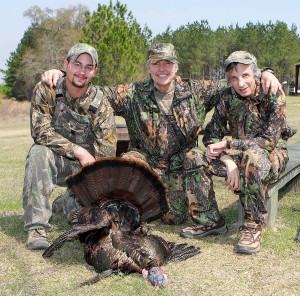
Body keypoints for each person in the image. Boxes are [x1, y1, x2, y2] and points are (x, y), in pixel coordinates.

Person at [41, 43, 281, 229]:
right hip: (144, 165)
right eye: (156, 63)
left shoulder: (196, 90)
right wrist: (61, 74)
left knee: (173, 218)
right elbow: (89, 88)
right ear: (149, 66)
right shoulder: (132, 93)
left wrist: (267, 73)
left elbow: (237, 78)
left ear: (176, 67)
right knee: (129, 167)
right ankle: (96, 209)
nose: (162, 68)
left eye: (167, 63)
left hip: (178, 169)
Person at [180, 51, 293, 254]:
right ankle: (210, 220)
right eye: (234, 77)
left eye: (245, 75)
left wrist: (229, 144)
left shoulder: (272, 92)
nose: (240, 83)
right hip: (236, 154)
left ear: (256, 74)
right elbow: (211, 136)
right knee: (194, 156)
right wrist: (227, 161)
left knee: (253, 156)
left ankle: (252, 226)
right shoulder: (227, 97)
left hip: (271, 155)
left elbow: (267, 142)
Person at [23, 43, 117, 250]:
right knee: (38, 152)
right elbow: (40, 132)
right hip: (55, 161)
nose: (82, 72)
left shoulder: (101, 103)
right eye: (77, 64)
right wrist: (78, 151)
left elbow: (106, 153)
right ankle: (37, 228)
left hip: (85, 170)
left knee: (79, 218)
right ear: (66, 64)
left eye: (88, 67)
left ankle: (64, 202)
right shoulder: (46, 89)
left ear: (94, 71)